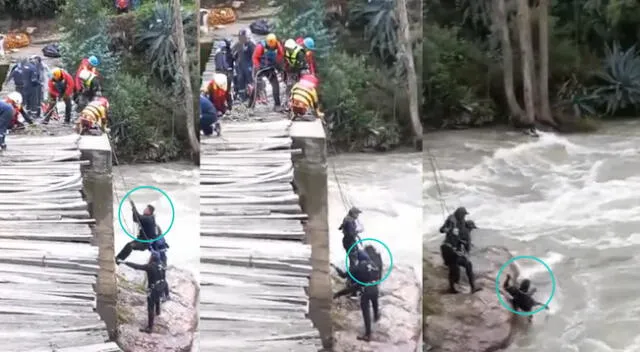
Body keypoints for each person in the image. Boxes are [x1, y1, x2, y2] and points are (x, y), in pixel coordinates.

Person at [117, 251, 167, 333]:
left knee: (150, 307)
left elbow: (136, 266)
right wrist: (166, 292)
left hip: (153, 289)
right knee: (157, 298)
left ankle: (150, 328)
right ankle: (158, 311)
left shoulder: (150, 267)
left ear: (152, 258)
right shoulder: (162, 265)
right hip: (161, 286)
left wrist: (124, 262)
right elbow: (164, 278)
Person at [439, 207, 480, 294]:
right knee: (464, 266)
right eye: (463, 215)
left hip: (446, 248)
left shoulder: (458, 223)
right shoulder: (455, 223)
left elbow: (443, 230)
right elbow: (442, 230)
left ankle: (452, 288)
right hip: (449, 249)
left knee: (453, 268)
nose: (464, 217)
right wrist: (448, 228)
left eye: (464, 215)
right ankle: (472, 287)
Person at [250, 33, 284, 111]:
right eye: (270, 45)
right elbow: (255, 58)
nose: (271, 47)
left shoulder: (278, 46)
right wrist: (258, 67)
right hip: (260, 68)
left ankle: (277, 105)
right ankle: (251, 105)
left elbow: (280, 55)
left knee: (275, 85)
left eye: (273, 45)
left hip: (270, 68)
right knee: (257, 86)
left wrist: (278, 66)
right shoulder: (260, 47)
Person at [231, 29, 255, 102]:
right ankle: (242, 96)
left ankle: (251, 96)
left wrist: (253, 66)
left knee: (250, 81)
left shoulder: (251, 45)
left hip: (249, 67)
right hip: (240, 66)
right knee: (240, 80)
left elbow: (255, 57)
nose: (241, 39)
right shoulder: (238, 44)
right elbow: (232, 53)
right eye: (240, 37)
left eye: (243, 37)